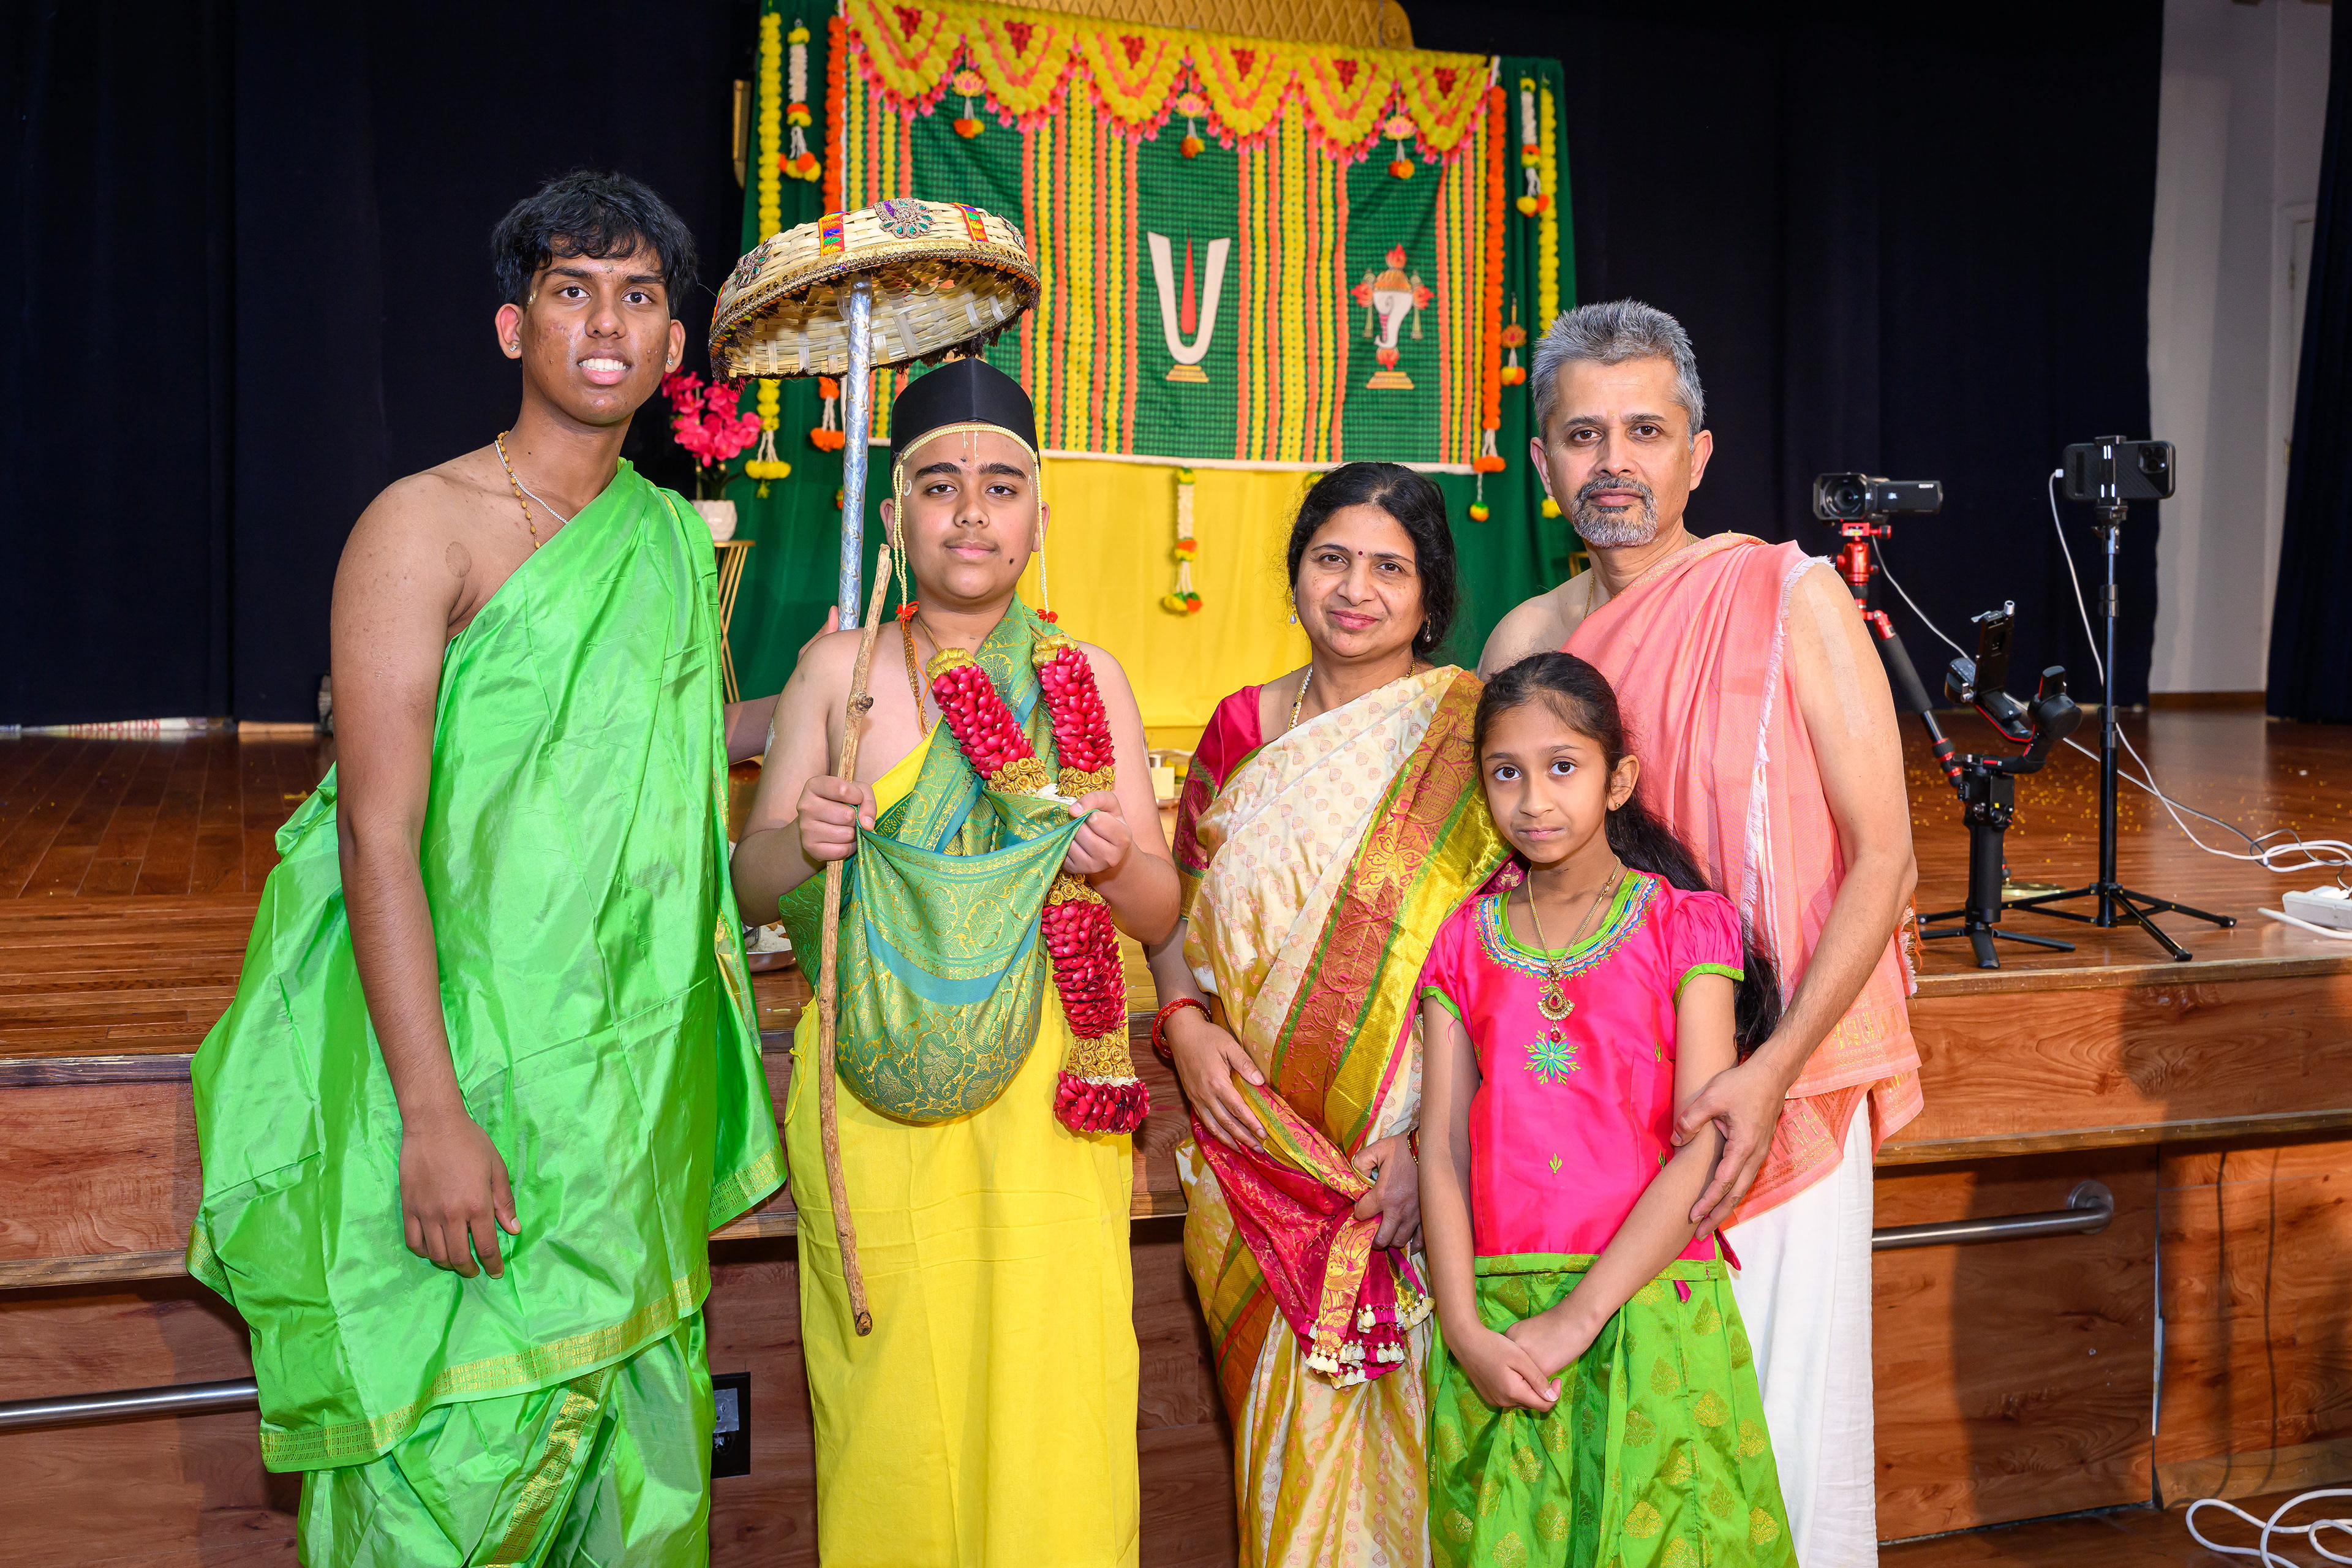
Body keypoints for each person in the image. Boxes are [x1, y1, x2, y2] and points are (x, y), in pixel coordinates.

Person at [186, 171, 785, 1566]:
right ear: (515, 326)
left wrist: (841, 681)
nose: (607, 323)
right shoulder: (422, 527)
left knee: (632, 1491)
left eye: (639, 296)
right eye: (574, 290)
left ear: (674, 343)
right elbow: (375, 832)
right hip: (470, 1071)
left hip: (619, 1102)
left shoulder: (665, 538)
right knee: (443, 1486)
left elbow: (670, 744)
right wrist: (432, 1114)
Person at [1481, 299, 1920, 1566]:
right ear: (1545, 459)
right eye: (1583, 435)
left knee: (1772, 1432)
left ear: (1699, 453)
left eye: (1645, 431)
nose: (1613, 461)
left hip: (1774, 1069)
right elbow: (1505, 893)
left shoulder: (1787, 597)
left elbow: (1885, 857)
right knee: (1631, 1446)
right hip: (1598, 1093)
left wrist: (1768, 1073)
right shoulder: (1526, 643)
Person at [729, 355, 1177, 1567]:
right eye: (939, 486)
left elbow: (1157, 905)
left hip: (1049, 1103)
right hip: (875, 1097)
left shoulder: (1088, 679)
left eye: (1000, 487)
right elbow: (751, 880)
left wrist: (1112, 857)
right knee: (894, 1417)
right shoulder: (837, 674)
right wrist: (802, 837)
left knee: (1053, 1403)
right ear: (895, 517)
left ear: (1040, 518)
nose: (971, 512)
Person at [1149, 462, 1509, 1567]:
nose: (1356, 590)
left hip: (1415, 1160)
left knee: (1429, 1475)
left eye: (1390, 568)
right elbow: (1176, 913)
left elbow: (1505, 953)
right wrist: (1183, 1022)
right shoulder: (1240, 725)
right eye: (1332, 560)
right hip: (1256, 1149)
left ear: (1430, 593)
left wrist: (1432, 1142)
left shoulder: (1469, 734)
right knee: (1285, 1463)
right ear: (1297, 573)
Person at [1418, 651, 1796, 1568]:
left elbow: (1702, 1146)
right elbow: (1442, 1152)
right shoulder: (1462, 940)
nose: (1533, 800)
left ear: (1618, 780)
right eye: (1506, 773)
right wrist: (1464, 1330)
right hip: (1502, 1327)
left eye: (1562, 767)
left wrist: (1581, 1316)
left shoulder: (1684, 924)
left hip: (1649, 1300)